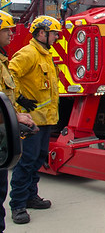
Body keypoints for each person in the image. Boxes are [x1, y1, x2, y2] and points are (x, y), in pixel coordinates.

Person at [8, 15, 61, 225]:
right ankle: (18, 205)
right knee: (26, 160)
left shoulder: (46, 54)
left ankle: (31, 196)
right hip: (31, 121)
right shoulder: (28, 53)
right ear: (42, 33)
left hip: (45, 119)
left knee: (38, 159)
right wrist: (19, 97)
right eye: (54, 33)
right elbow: (10, 74)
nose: (56, 37)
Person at [0, 11, 37, 231]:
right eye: (6, 30)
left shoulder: (3, 59)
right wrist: (15, 117)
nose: (11, 34)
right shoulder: (27, 54)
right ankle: (19, 204)